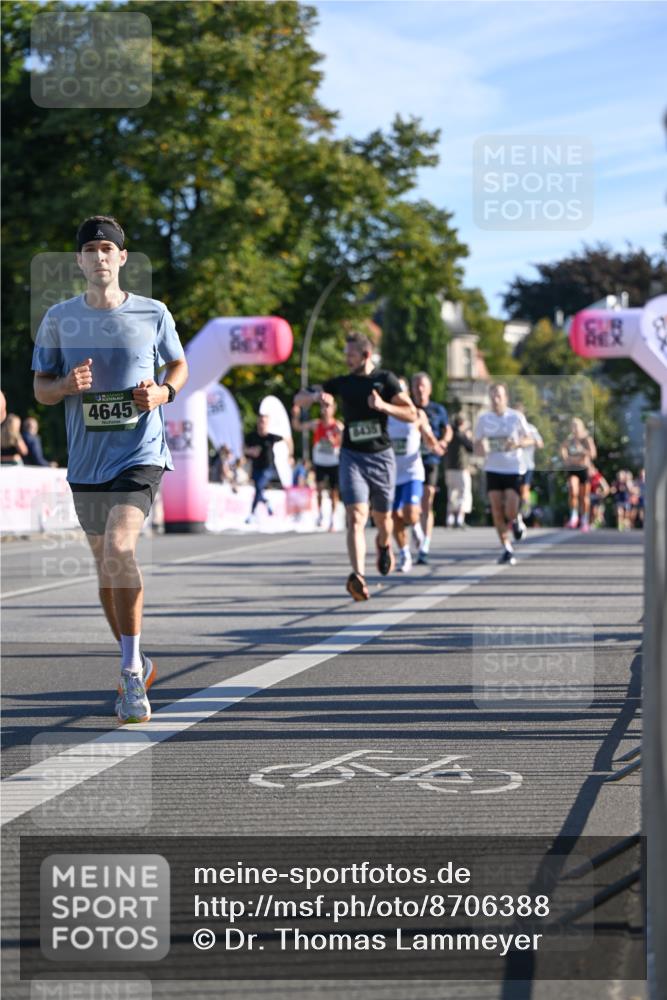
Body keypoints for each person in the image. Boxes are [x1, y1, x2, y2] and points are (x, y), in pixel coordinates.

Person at [32, 214, 188, 725]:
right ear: (79, 261)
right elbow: (41, 389)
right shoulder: (59, 318)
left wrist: (162, 392)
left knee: (122, 548)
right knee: (106, 567)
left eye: (108, 249)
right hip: (86, 462)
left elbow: (178, 366)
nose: (99, 256)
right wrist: (66, 388)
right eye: (90, 249)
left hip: (140, 455)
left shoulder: (153, 312)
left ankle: (127, 675)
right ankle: (138, 658)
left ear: (122, 259)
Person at [294, 332, 416, 601]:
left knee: (383, 520)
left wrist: (384, 406)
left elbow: (412, 413)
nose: (346, 360)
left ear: (366, 355)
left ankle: (384, 545)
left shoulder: (386, 380)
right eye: (345, 355)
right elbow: (300, 397)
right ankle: (358, 576)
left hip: (382, 457)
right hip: (352, 457)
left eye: (351, 355)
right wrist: (316, 399)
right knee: (356, 517)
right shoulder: (342, 383)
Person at [473, 383, 534, 565]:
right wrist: (480, 450)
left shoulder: (515, 417)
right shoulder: (484, 419)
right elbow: (476, 444)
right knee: (497, 510)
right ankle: (506, 547)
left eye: (498, 396)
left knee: (510, 509)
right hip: (493, 468)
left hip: (513, 468)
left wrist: (517, 444)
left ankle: (516, 519)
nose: (495, 399)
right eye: (492, 396)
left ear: (505, 398)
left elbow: (530, 438)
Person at [388, 379, 444, 572]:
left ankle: (417, 529)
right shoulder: (385, 415)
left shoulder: (416, 414)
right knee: (395, 515)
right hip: (393, 474)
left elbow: (428, 435)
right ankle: (404, 554)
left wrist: (433, 444)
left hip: (413, 472)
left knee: (412, 512)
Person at [411, 372, 451, 564]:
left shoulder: (438, 409)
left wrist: (442, 442)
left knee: (427, 498)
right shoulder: (407, 408)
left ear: (429, 389)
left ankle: (425, 544)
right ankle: (415, 528)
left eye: (423, 386)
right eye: (417, 385)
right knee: (411, 505)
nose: (420, 389)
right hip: (409, 460)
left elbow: (448, 430)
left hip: (430, 459)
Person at [291, 397, 343, 531]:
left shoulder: (337, 426)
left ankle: (333, 518)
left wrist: (335, 442)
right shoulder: (316, 424)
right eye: (323, 407)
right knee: (319, 489)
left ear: (333, 410)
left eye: (328, 407)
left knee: (333, 492)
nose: (324, 410)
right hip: (320, 462)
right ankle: (320, 514)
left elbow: (346, 443)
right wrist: (295, 415)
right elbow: (297, 427)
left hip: (333, 462)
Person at [244, 412, 283, 521]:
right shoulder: (252, 436)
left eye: (264, 422)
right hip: (256, 468)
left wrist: (289, 456)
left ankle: (252, 513)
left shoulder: (271, 437)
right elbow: (244, 450)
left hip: (268, 468)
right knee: (258, 489)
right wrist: (251, 451)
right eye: (260, 422)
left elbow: (285, 440)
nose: (262, 424)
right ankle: (266, 502)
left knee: (259, 487)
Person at [559, 417, 597, 530]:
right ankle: (574, 517)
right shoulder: (569, 439)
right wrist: (566, 458)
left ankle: (584, 519)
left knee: (584, 496)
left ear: (581, 427)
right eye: (572, 426)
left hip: (583, 469)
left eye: (576, 425)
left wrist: (582, 451)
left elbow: (593, 454)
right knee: (572, 490)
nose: (574, 428)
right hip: (572, 468)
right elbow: (562, 449)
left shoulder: (586, 439)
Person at [514, 403, 543, 519]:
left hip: (527, 465)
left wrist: (527, 442)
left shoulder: (530, 428)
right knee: (514, 491)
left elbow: (540, 443)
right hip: (513, 466)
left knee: (524, 488)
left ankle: (524, 509)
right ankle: (516, 515)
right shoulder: (510, 429)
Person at [445, 414, 474, 528]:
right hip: (460, 468)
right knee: (464, 493)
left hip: (449, 468)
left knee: (451, 493)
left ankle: (450, 518)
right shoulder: (460, 435)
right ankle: (459, 519)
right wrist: (469, 436)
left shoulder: (449, 434)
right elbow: (471, 447)